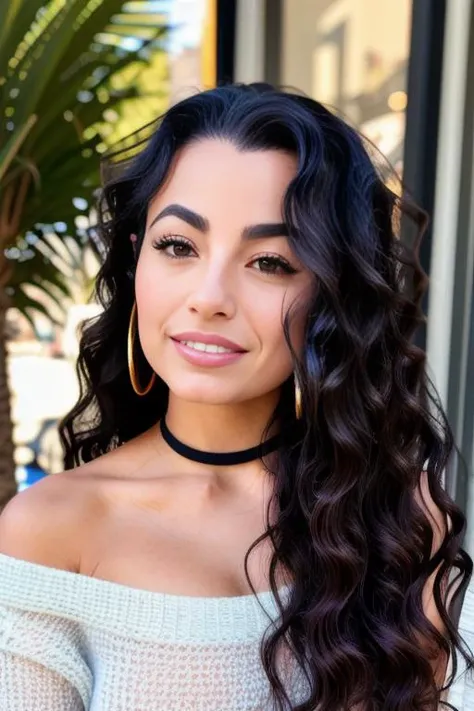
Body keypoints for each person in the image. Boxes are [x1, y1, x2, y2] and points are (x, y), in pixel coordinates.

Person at [0, 82, 472, 711]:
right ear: (138, 261)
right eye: (178, 247)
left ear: (331, 296)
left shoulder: (394, 516)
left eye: (270, 261)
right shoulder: (51, 530)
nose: (210, 295)